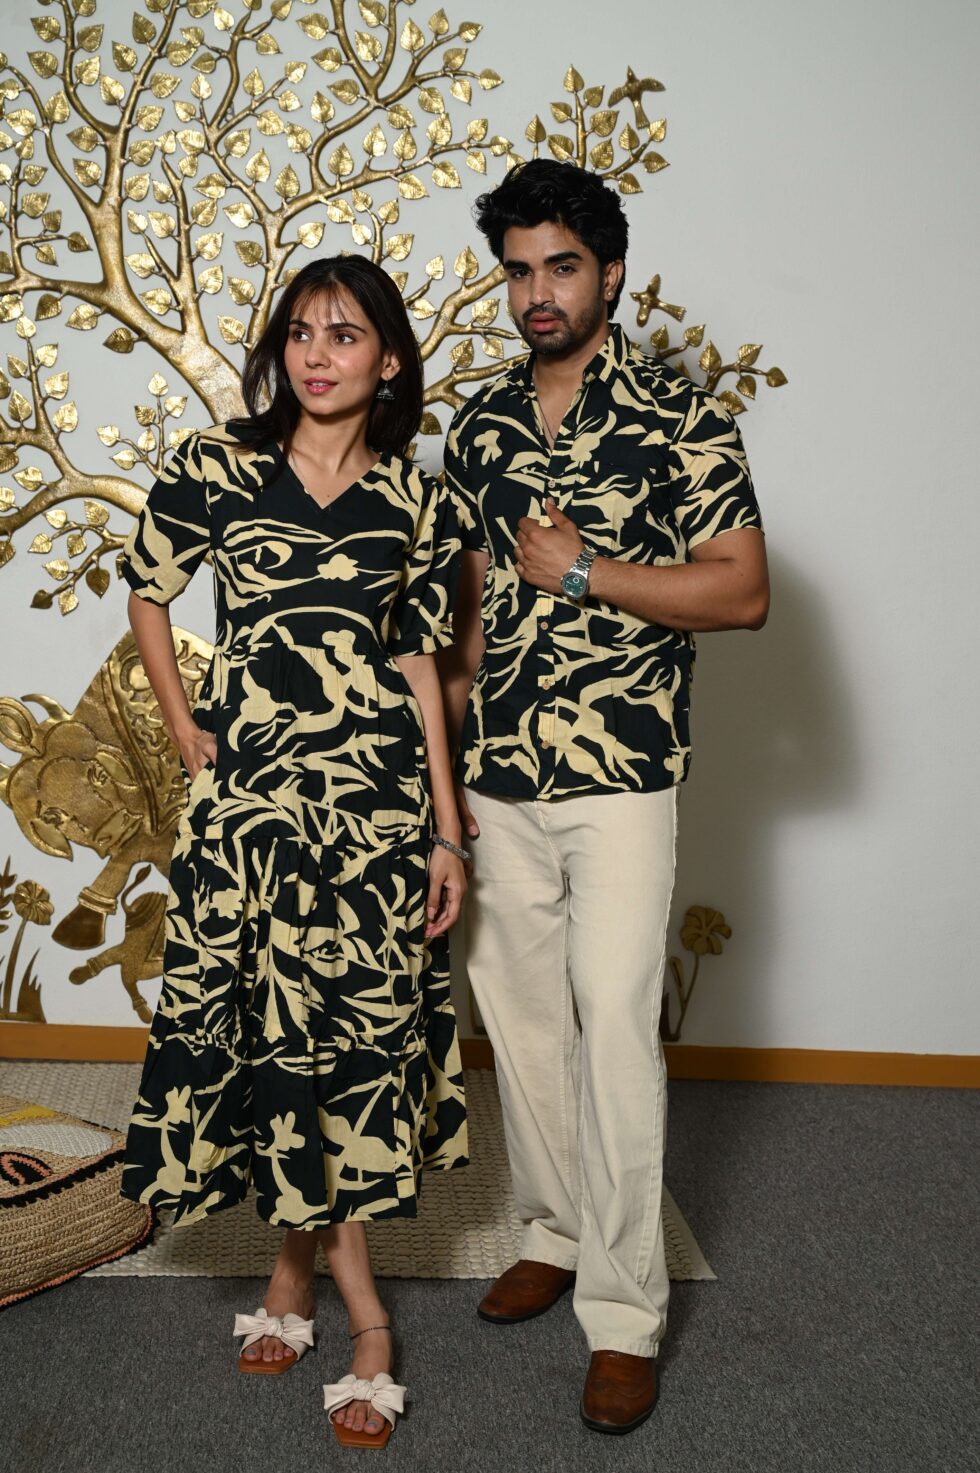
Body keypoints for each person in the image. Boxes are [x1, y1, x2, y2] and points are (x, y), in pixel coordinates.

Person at [438, 159, 769, 1435]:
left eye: (561, 267)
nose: (537, 291)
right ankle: (555, 1229)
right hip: (495, 774)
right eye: (518, 269)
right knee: (521, 1027)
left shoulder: (683, 417)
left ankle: (625, 1316)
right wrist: (436, 774)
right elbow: (466, 613)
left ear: (611, 274)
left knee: (616, 1028)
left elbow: (738, 590)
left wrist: (586, 575)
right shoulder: (476, 425)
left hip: (620, 771)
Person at [119, 254, 469, 1449]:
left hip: (373, 813)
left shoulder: (417, 501)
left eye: (346, 333)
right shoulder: (214, 467)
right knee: (273, 1031)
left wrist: (444, 826)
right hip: (253, 809)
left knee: (353, 1045)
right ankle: (336, 1296)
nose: (318, 355)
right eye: (301, 333)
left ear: (389, 358)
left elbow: (420, 666)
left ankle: (315, 1287)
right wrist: (185, 728)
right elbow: (150, 594)